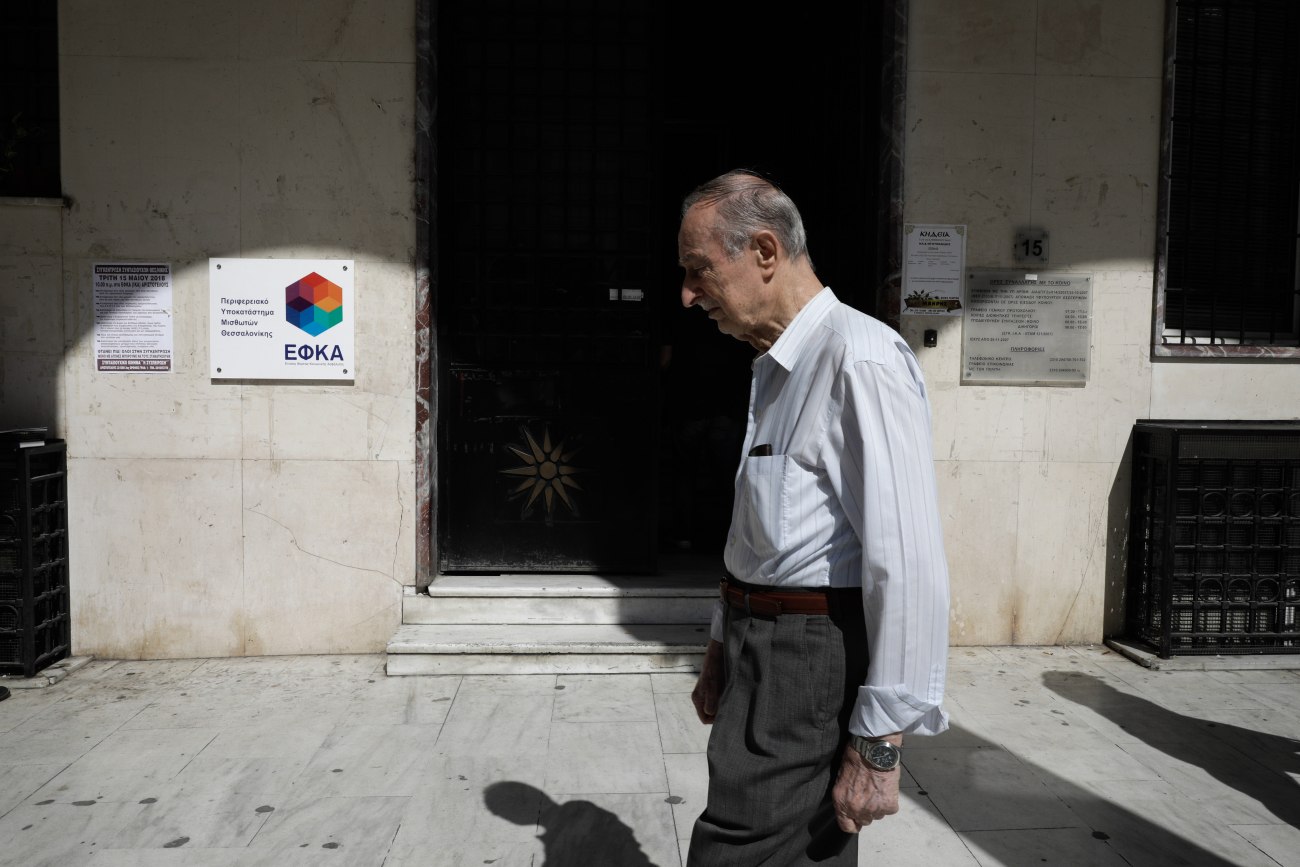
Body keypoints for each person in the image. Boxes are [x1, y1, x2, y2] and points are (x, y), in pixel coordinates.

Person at [679, 170, 950, 866]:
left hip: (805, 656)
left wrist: (880, 744)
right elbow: (761, 534)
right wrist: (721, 641)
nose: (687, 293)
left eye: (699, 269)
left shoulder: (860, 358)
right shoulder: (776, 366)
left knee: (742, 847)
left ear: (764, 251)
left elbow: (907, 560)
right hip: (759, 645)